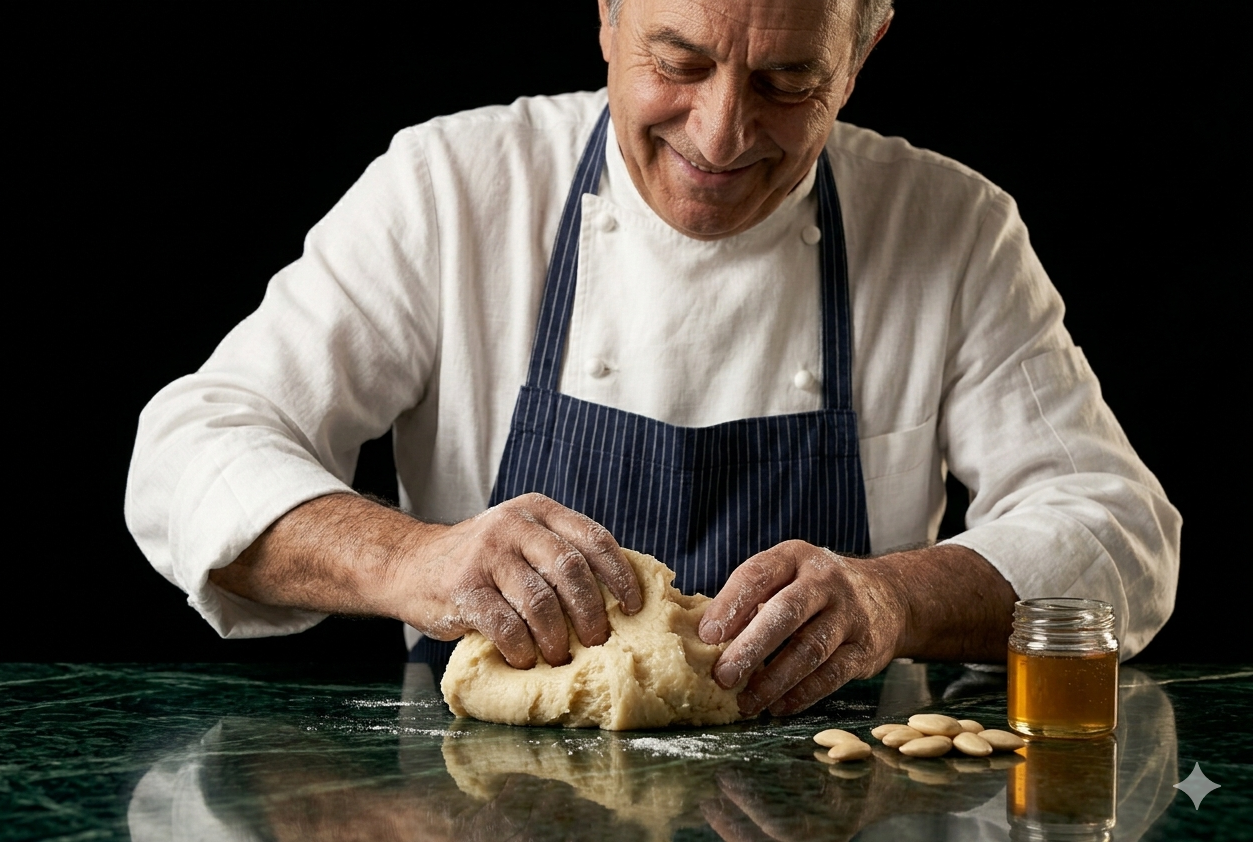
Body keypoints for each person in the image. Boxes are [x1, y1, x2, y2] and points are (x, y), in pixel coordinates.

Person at [125, 0, 1180, 718]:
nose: (720, 133)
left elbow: (1118, 533)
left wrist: (890, 599)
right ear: (604, 18)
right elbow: (187, 453)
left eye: (786, 79)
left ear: (860, 56)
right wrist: (416, 561)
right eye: (676, 63)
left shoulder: (951, 228)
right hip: (476, 810)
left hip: (845, 803)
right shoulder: (451, 187)